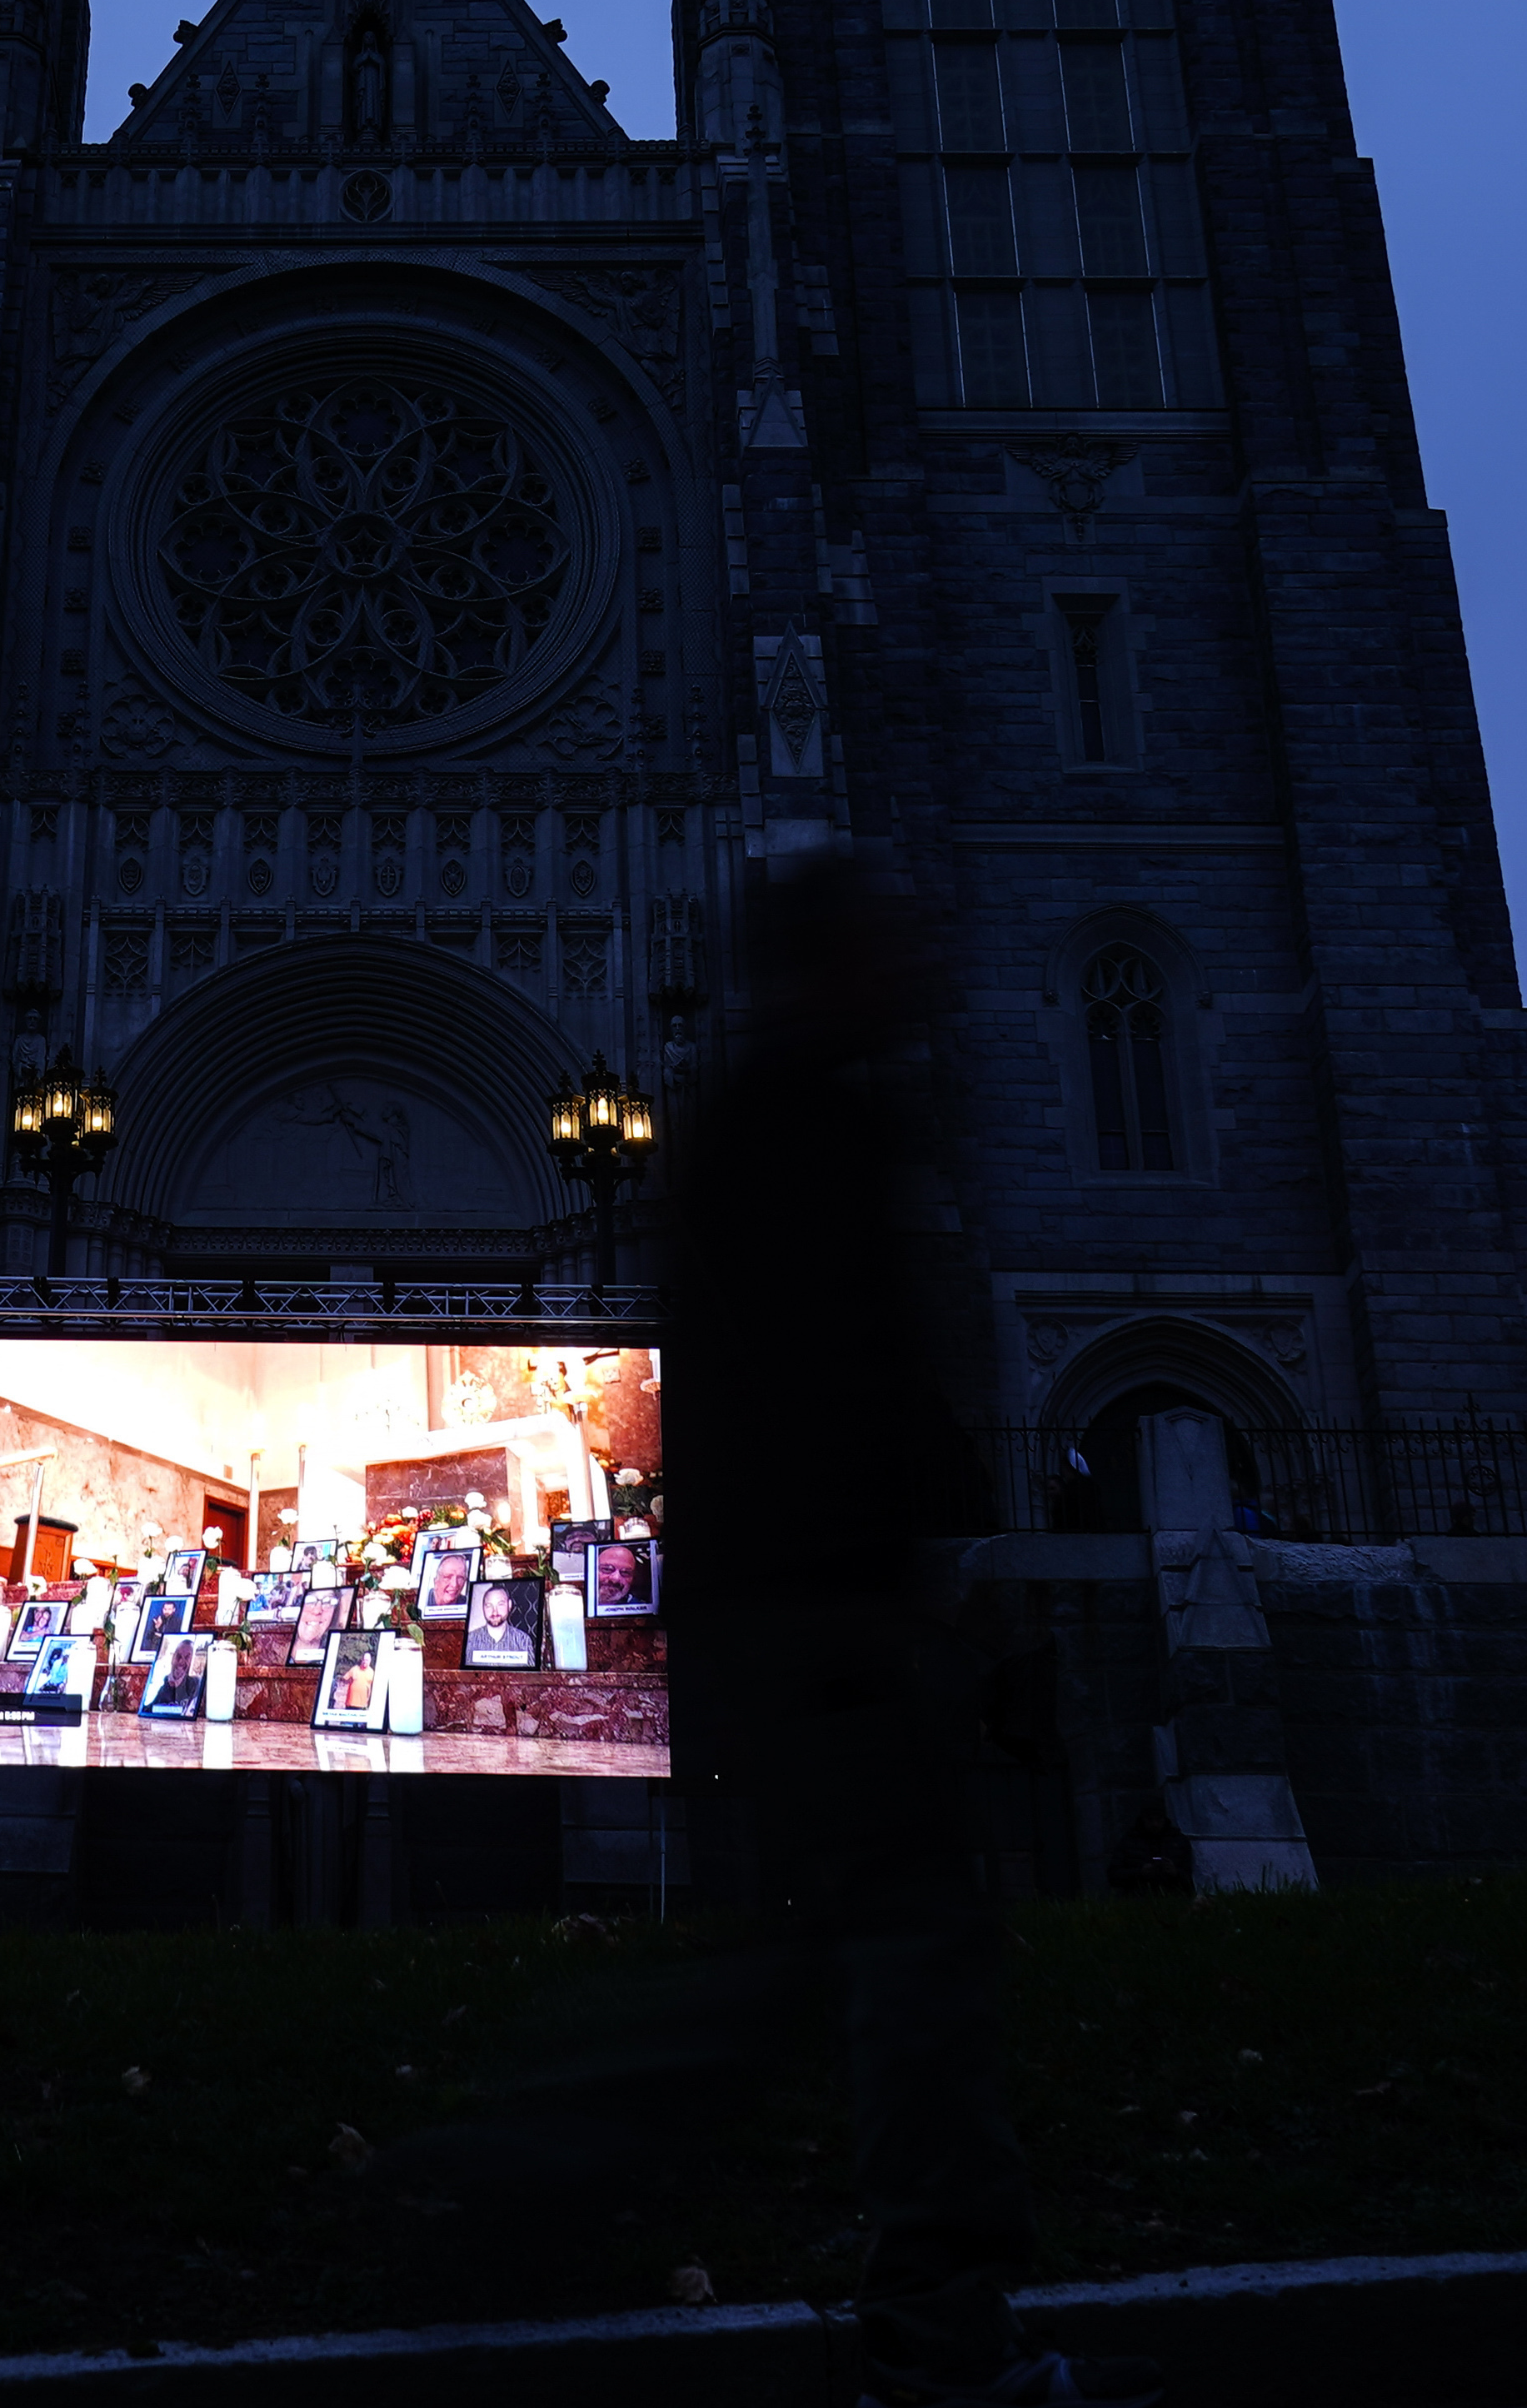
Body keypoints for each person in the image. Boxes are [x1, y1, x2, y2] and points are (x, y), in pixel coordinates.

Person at [394, 849, 1135, 2408]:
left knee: (808, 1964)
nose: (920, 972)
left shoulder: (772, 1121)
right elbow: (826, 1393)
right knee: (894, 1964)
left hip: (806, 1622)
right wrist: (892, 1586)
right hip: (832, 1629)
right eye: (885, 948)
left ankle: (511, 2187)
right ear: (826, 966)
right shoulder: (795, 1128)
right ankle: (540, 2194)